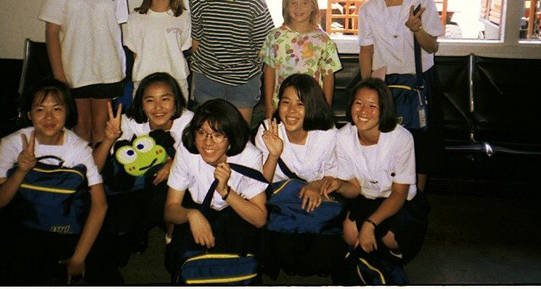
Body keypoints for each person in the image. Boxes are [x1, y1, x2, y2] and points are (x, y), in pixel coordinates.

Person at [0, 78, 118, 285]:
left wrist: (78, 258)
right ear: (29, 114)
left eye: (57, 109)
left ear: (67, 112)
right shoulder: (11, 143)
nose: (49, 117)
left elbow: (100, 205)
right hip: (24, 226)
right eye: (40, 110)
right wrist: (20, 171)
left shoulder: (79, 148)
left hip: (65, 226)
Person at [358, 0, 445, 191]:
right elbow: (366, 49)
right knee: (386, 142)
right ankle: (386, 192)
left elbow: (432, 47)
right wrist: (367, 86)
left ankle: (415, 199)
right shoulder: (369, 8)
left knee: (420, 144)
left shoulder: (422, 1)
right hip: (384, 83)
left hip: (419, 82)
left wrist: (416, 29)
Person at [321, 78, 429, 265]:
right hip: (365, 197)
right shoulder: (343, 137)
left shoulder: (401, 138)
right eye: (358, 103)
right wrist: (339, 185)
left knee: (389, 237)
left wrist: (370, 225)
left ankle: (389, 257)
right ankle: (366, 259)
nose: (363, 112)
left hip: (397, 200)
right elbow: (354, 188)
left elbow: (399, 193)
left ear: (384, 110)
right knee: (349, 234)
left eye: (372, 106)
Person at [39, 0, 129, 144]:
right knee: (81, 128)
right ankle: (78, 177)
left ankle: (97, 178)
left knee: (101, 128)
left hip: (107, 69)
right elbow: (51, 34)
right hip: (74, 70)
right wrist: (59, 76)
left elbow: (116, 30)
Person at [92, 72, 193, 263]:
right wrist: (108, 140)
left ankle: (171, 235)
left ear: (176, 100)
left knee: (176, 181)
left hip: (172, 184)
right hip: (136, 185)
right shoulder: (129, 121)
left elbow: (195, 158)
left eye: (165, 99)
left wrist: (172, 164)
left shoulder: (189, 121)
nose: (158, 108)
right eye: (150, 101)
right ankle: (136, 229)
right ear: (141, 103)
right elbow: (95, 169)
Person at [164, 99, 268, 282]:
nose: (207, 142)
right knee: (182, 251)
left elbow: (260, 219)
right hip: (196, 206)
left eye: (217, 135)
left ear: (230, 137)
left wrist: (226, 191)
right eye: (201, 132)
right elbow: (170, 209)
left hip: (234, 209)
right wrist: (192, 215)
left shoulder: (249, 155)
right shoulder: (187, 151)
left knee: (243, 242)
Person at [255, 73, 342, 278]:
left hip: (317, 200)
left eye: (300, 104)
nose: (291, 111)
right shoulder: (268, 130)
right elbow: (259, 185)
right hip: (282, 205)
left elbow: (336, 173)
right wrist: (273, 155)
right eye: (286, 102)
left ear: (312, 106)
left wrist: (316, 185)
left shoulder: (328, 134)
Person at [189, 0, 274, 124]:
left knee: (239, 139)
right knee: (210, 135)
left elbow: (266, 45)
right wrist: (196, 79)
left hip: (243, 81)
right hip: (208, 79)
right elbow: (197, 38)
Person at [261, 0, 342, 120]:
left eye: (304, 3)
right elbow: (269, 71)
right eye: (293, 3)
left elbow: (328, 76)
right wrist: (269, 105)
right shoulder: (274, 37)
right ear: (286, 6)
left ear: (313, 6)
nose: (298, 8)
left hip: (312, 106)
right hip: (283, 106)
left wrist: (326, 107)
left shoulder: (324, 40)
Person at [124, 0, 191, 100]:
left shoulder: (184, 17)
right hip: (144, 83)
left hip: (177, 83)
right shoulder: (135, 18)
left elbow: (184, 47)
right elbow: (136, 54)